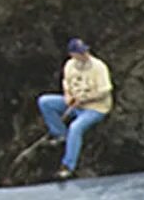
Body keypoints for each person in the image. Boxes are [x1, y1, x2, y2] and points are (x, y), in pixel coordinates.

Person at [35, 38, 114, 180]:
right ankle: (60, 134)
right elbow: (66, 83)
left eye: (85, 51)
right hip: (74, 104)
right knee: (45, 102)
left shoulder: (99, 66)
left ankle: (68, 166)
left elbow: (105, 91)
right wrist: (68, 96)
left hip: (95, 108)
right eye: (80, 52)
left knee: (76, 127)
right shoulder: (69, 65)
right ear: (72, 54)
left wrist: (85, 99)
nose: (85, 54)